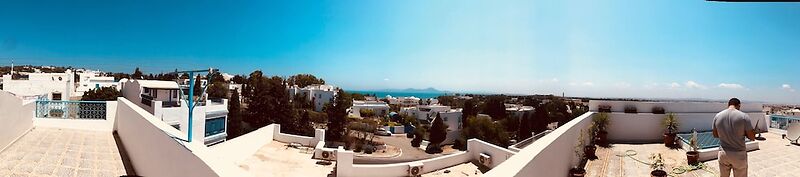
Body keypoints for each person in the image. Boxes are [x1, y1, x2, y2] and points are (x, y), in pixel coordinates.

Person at [712, 98, 756, 177]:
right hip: (738, 154)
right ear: (739, 105)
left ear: (728, 105)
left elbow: (715, 135)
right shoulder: (743, 116)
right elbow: (752, 137)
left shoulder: (717, 116)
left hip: (723, 153)